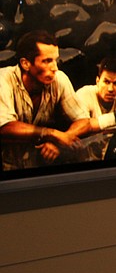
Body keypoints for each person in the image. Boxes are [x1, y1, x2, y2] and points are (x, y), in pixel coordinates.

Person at [0, 29, 91, 170]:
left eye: (55, 60)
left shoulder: (59, 79)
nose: (54, 67)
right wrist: (51, 134)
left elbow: (84, 121)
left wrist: (61, 140)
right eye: (47, 61)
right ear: (25, 64)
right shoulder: (3, 79)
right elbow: (5, 127)